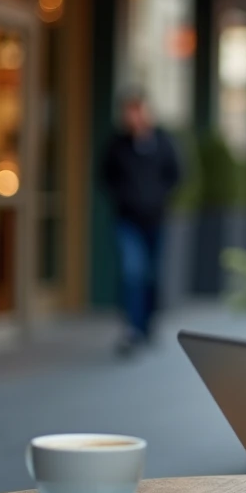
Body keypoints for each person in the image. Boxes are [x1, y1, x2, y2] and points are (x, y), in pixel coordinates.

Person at [100, 87, 181, 355]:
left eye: (137, 111)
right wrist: (122, 197)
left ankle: (148, 323)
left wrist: (160, 198)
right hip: (127, 219)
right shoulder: (117, 145)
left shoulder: (162, 142)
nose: (133, 117)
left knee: (151, 273)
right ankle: (132, 328)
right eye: (128, 112)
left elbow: (177, 174)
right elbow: (105, 176)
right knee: (131, 270)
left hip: (156, 219)